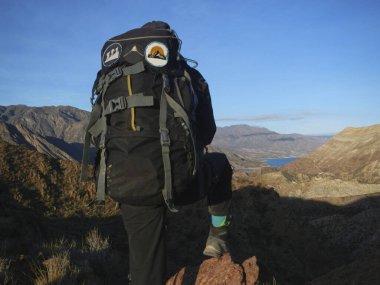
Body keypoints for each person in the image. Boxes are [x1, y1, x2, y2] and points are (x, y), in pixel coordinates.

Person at [82, 21, 233, 285]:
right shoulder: (188, 76)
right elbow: (208, 133)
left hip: (125, 182)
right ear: (170, 46)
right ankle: (218, 238)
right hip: (178, 181)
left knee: (145, 268)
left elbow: (96, 133)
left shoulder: (112, 79)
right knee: (221, 165)